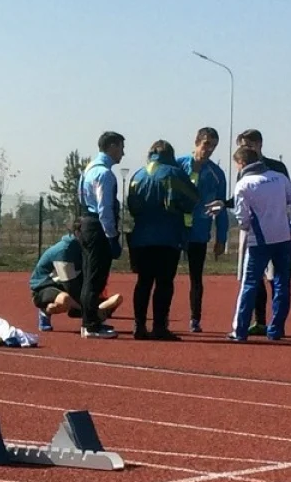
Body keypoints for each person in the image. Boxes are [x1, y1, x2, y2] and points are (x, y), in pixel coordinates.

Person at [228, 147, 291, 342]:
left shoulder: (243, 184)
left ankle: (240, 331)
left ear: (242, 164)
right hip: (282, 237)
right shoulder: (279, 178)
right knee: (281, 283)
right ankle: (276, 329)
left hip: (258, 241)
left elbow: (242, 216)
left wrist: (245, 226)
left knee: (249, 284)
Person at [126, 140, 200, 340]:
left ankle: (139, 325)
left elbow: (131, 205)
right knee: (164, 282)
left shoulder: (137, 175)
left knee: (143, 282)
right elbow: (192, 199)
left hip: (141, 237)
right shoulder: (174, 173)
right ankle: (159, 326)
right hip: (168, 236)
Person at [234, 129, 289, 335]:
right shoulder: (243, 169)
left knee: (276, 278)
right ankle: (258, 320)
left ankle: (276, 325)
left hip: (275, 230)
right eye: (242, 146)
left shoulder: (277, 168)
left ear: (259, 144)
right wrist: (225, 204)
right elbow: (241, 199)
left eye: (248, 145)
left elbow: (288, 195)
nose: (244, 150)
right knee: (250, 279)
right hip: (252, 231)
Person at [176, 128, 228, 332]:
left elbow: (221, 208)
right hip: (175, 230)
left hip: (198, 232)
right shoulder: (178, 165)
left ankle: (194, 319)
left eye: (214, 145)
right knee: (165, 276)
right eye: (206, 144)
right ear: (197, 142)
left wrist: (221, 237)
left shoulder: (217, 174)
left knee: (196, 277)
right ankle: (161, 318)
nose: (209, 149)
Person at [29, 222, 123, 332]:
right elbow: (70, 285)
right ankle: (45, 311)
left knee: (116, 298)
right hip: (45, 287)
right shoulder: (64, 250)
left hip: (71, 284)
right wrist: (91, 310)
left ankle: (79, 311)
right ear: (79, 233)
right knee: (65, 299)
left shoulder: (87, 247)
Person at [77, 131, 125, 339]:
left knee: (90, 276)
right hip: (97, 227)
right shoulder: (104, 174)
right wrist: (112, 236)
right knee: (95, 278)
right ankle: (91, 325)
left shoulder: (89, 168)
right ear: (112, 146)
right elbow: (105, 209)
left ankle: (90, 321)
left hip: (86, 223)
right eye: (121, 148)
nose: (123, 153)